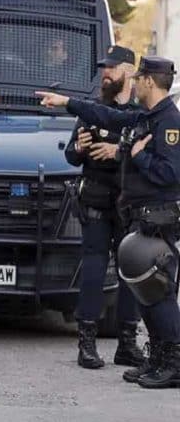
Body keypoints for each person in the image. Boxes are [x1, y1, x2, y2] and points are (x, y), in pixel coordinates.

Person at [38, 55, 180, 389]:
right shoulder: (146, 116)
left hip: (157, 220)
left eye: (140, 77)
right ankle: (158, 358)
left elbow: (170, 173)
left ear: (147, 80)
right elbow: (107, 116)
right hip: (136, 216)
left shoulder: (168, 122)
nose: (136, 83)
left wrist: (135, 156)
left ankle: (173, 362)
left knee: (159, 294)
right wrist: (68, 103)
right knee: (147, 293)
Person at [64, 45, 145, 370]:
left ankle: (126, 343)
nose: (105, 73)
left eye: (111, 68)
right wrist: (80, 149)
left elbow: (148, 159)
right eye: (103, 68)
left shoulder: (141, 113)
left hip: (129, 206)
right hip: (96, 203)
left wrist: (119, 151)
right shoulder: (92, 110)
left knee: (132, 275)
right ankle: (86, 344)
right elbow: (70, 155)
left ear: (128, 71)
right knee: (94, 272)